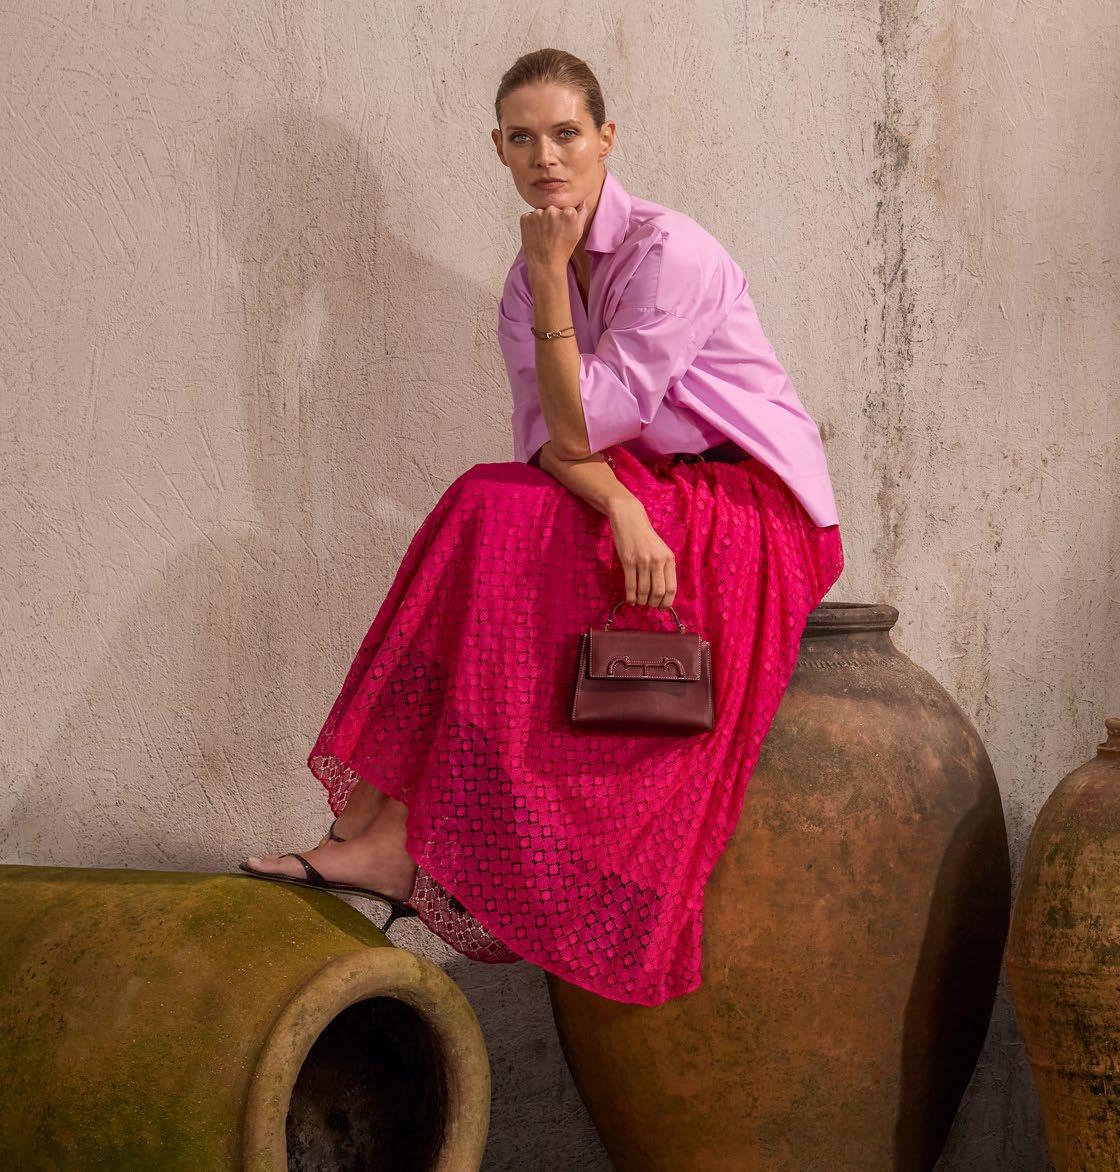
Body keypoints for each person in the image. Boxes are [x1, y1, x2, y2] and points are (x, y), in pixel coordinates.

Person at [240, 47, 843, 1006]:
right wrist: (621, 505)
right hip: (643, 485)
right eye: (522, 139)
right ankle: (379, 832)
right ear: (498, 149)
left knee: (488, 508)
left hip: (752, 504)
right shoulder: (528, 281)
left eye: (565, 133)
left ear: (607, 139)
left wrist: (555, 283)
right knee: (486, 500)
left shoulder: (668, 252)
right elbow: (543, 444)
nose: (546, 157)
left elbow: (586, 422)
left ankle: (387, 836)